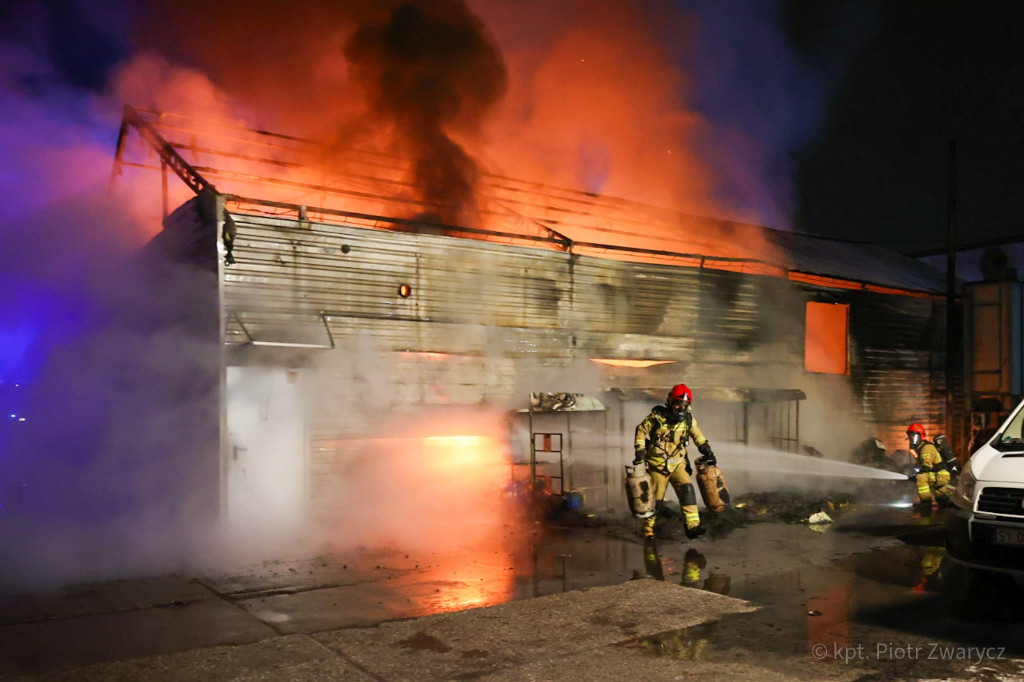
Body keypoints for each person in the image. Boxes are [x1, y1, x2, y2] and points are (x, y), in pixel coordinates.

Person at [633, 383, 715, 539]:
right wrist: (640, 451)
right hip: (658, 466)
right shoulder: (657, 418)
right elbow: (641, 431)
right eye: (678, 404)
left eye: (685, 405)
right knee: (655, 500)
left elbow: (698, 436)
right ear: (670, 402)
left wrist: (707, 450)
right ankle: (648, 528)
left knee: (688, 491)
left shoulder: (688, 420)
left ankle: (692, 526)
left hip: (678, 464)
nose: (681, 409)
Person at [906, 423, 955, 509]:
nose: (912, 439)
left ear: (921, 436)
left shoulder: (926, 448)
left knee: (921, 478)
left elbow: (926, 468)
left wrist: (915, 476)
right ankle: (948, 504)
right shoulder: (922, 448)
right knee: (942, 499)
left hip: (940, 475)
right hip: (940, 475)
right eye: (910, 437)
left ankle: (926, 502)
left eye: (914, 436)